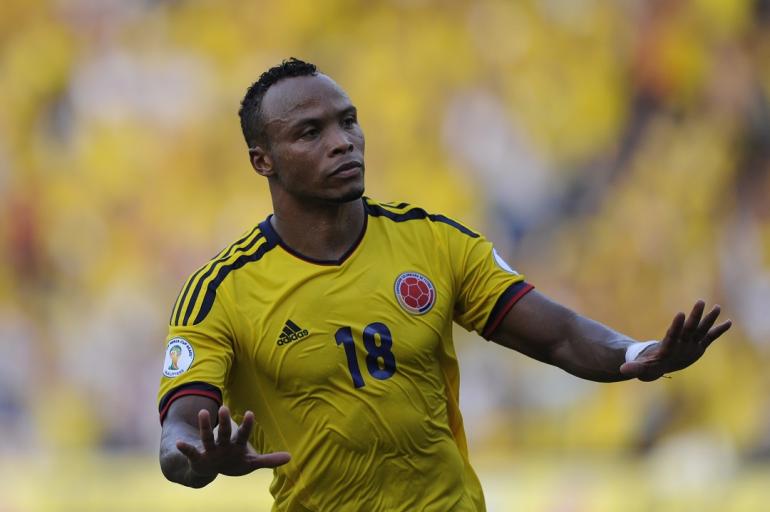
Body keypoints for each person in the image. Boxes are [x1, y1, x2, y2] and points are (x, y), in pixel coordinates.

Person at [157, 58, 732, 511]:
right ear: (263, 161)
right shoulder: (221, 290)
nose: (343, 141)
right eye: (311, 132)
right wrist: (200, 457)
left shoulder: (432, 242)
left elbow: (557, 334)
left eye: (348, 120)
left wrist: (635, 353)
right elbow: (178, 429)